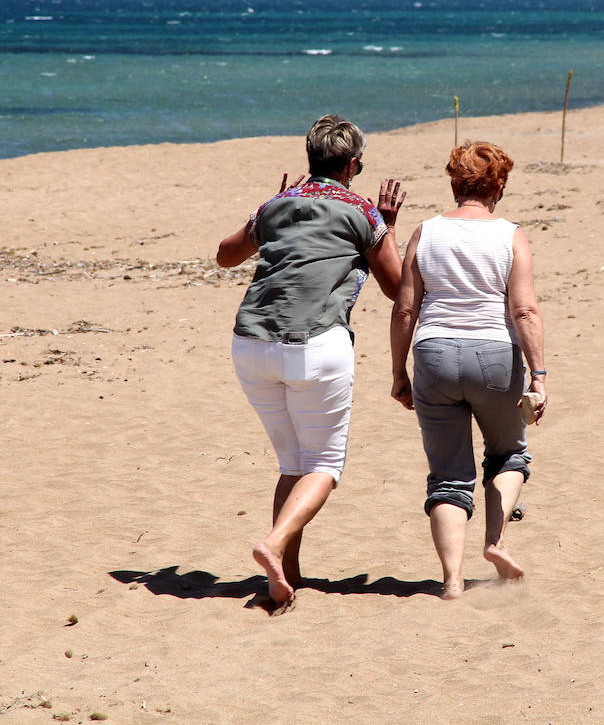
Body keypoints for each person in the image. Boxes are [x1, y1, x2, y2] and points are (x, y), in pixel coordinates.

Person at [216, 115, 405, 611]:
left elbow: (225, 256)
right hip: (316, 345)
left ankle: (287, 578)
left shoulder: (276, 204)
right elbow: (395, 287)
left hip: (250, 344)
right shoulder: (363, 211)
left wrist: (268, 209)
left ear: (310, 159)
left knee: (292, 463)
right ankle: (275, 545)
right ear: (353, 164)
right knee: (323, 464)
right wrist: (386, 229)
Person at [389, 141, 547, 599]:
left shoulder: (426, 232)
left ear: (455, 183)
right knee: (507, 455)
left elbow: (404, 310)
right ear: (499, 185)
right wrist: (539, 375)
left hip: (434, 354)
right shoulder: (510, 235)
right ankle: (495, 542)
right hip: (494, 355)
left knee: (447, 475)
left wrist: (399, 371)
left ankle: (453, 580)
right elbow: (524, 311)